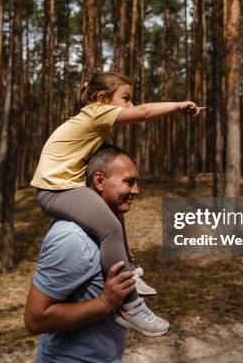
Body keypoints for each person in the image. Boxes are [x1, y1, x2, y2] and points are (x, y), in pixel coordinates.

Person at [30, 71, 201, 336]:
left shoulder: (92, 120)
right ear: (101, 98)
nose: (131, 105)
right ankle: (131, 306)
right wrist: (178, 106)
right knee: (109, 228)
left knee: (111, 211)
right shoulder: (96, 112)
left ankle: (128, 271)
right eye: (126, 99)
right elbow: (144, 113)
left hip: (62, 187)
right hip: (55, 190)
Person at [26, 146, 154, 362]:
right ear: (99, 181)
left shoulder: (106, 230)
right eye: (128, 182)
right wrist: (105, 301)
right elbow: (35, 320)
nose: (136, 190)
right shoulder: (72, 237)